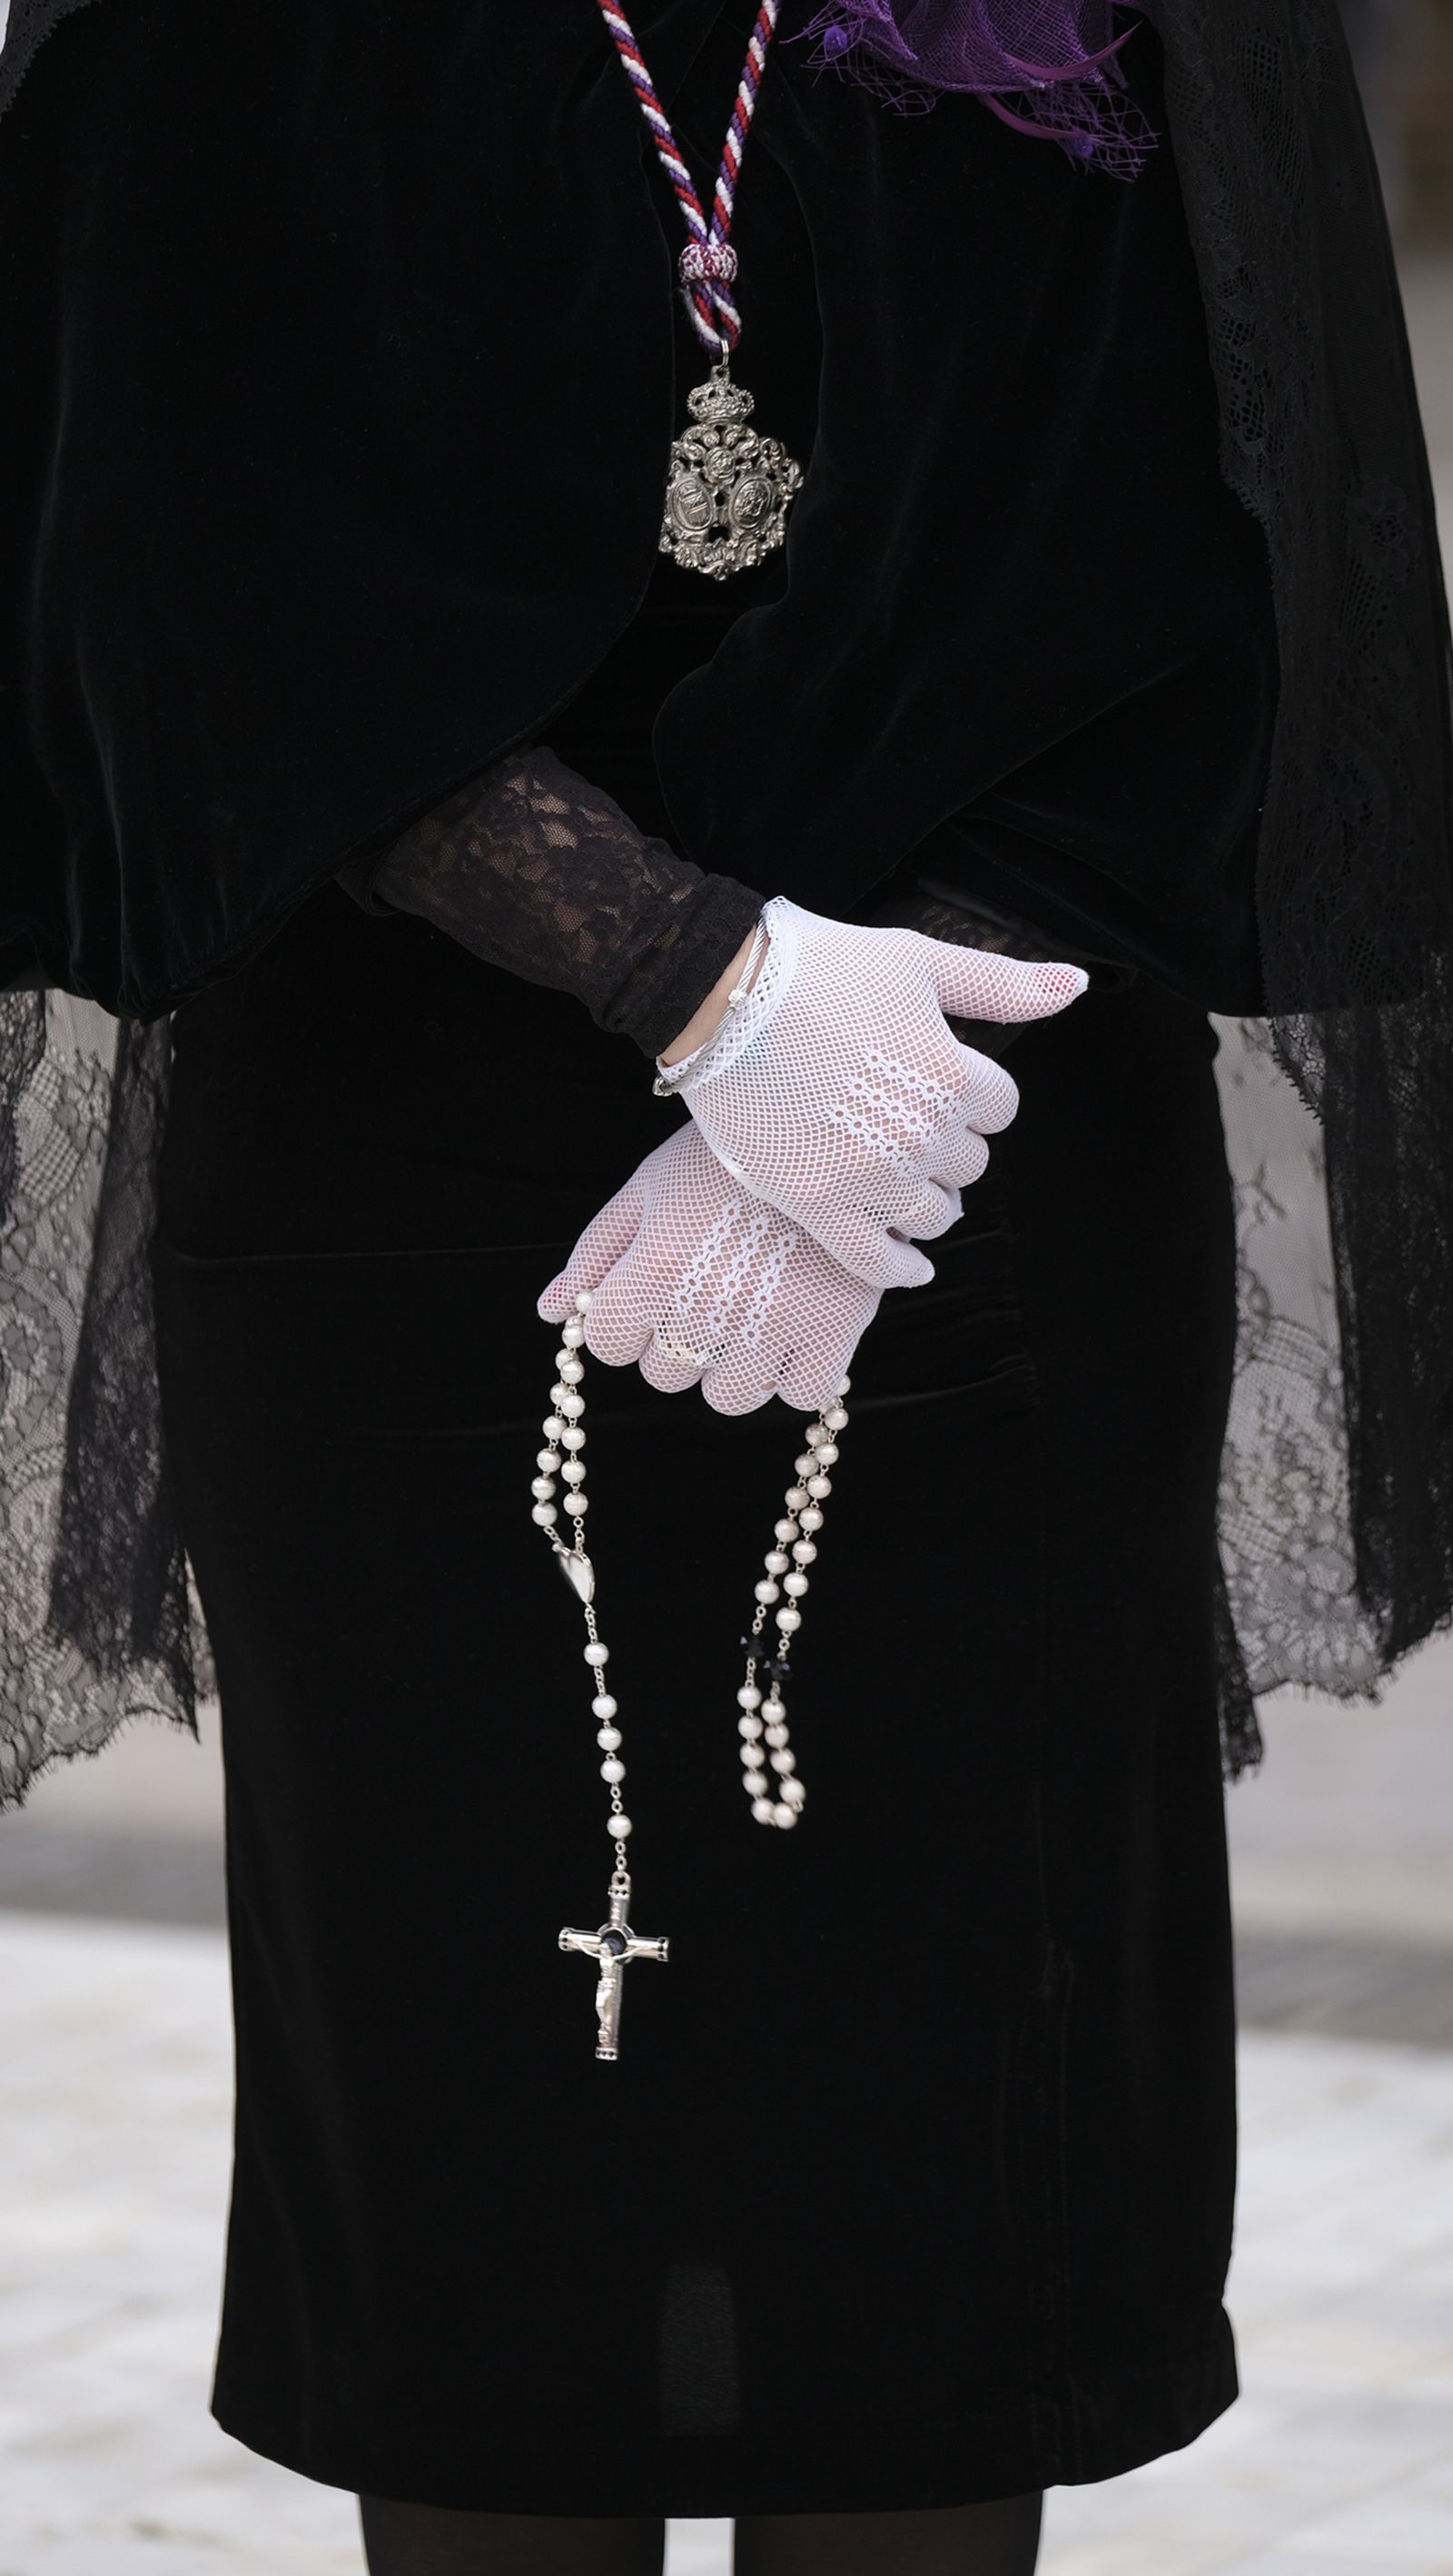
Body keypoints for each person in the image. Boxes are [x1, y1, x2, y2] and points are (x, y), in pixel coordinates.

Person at [1, 5, 1449, 2572]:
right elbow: (145, 504)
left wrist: (859, 1084)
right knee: (489, 2275)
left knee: (929, 2261)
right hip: (406, 1187)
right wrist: (697, 978)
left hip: (980, 1157)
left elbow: (1245, 518)